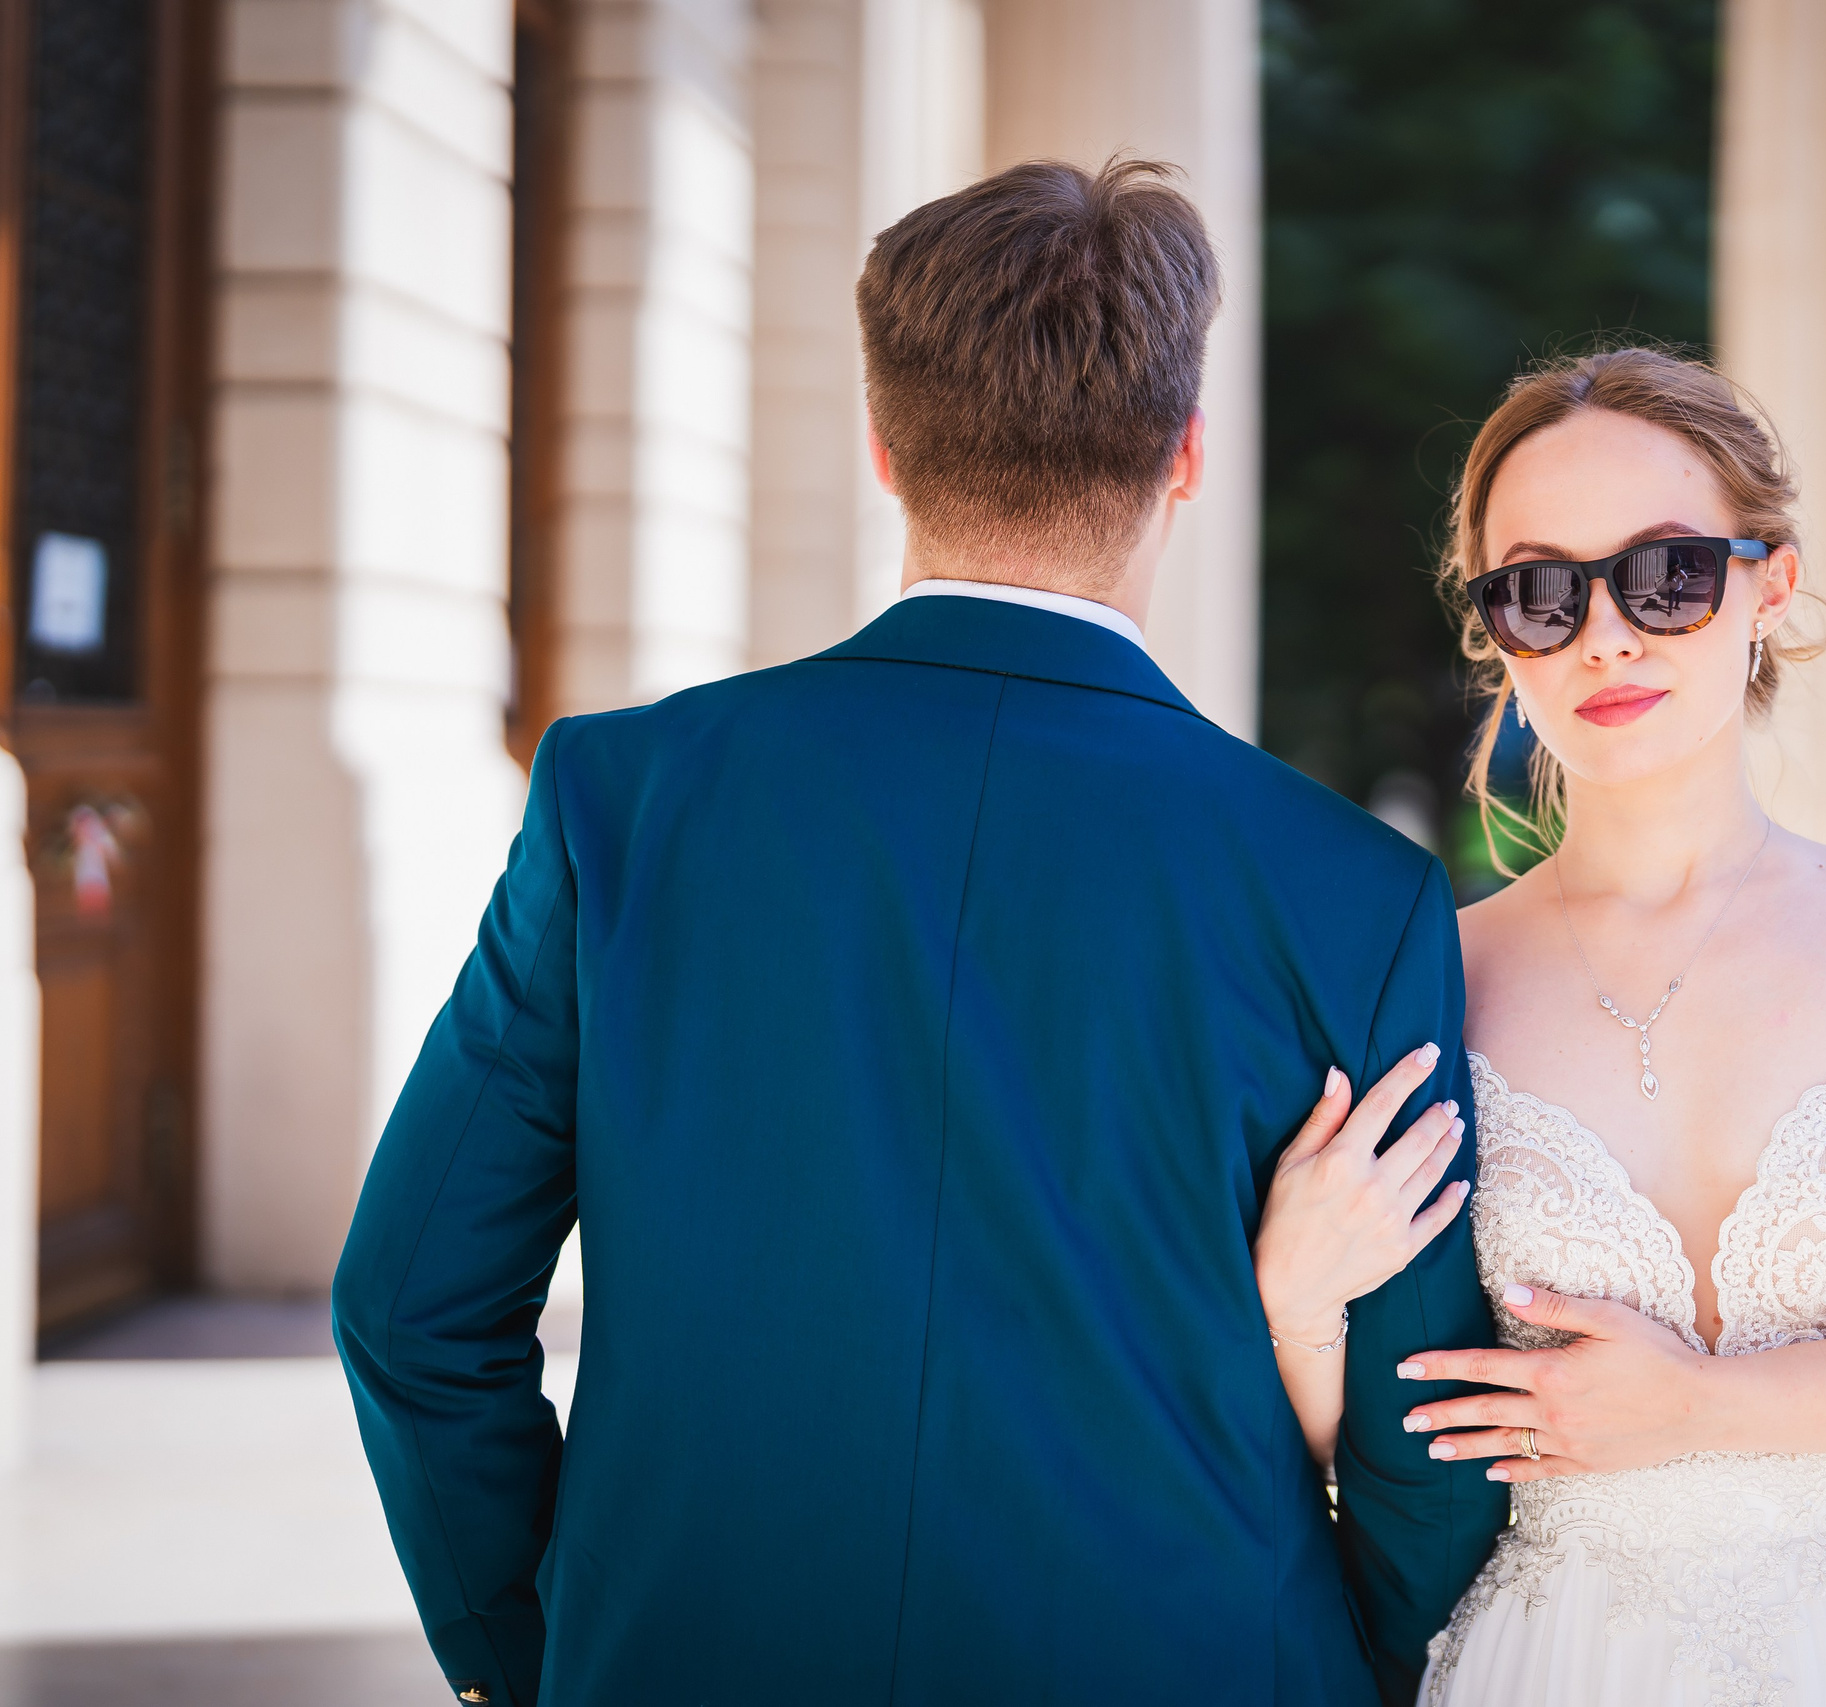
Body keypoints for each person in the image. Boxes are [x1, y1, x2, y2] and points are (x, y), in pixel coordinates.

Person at [332, 158, 1508, 1707]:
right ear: (1188, 455)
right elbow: (1432, 1426)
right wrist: (1336, 1655)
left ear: (884, 446)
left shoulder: (625, 800)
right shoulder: (1352, 890)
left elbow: (410, 1308)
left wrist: (524, 1656)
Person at [1251, 347, 1826, 1706]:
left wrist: (1710, 1412)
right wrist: (1290, 1294)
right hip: (1552, 1663)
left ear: (1769, 586)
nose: (1607, 636)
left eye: (1666, 574)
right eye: (1543, 591)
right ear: (1495, 628)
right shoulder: (1429, 980)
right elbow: (1358, 1438)